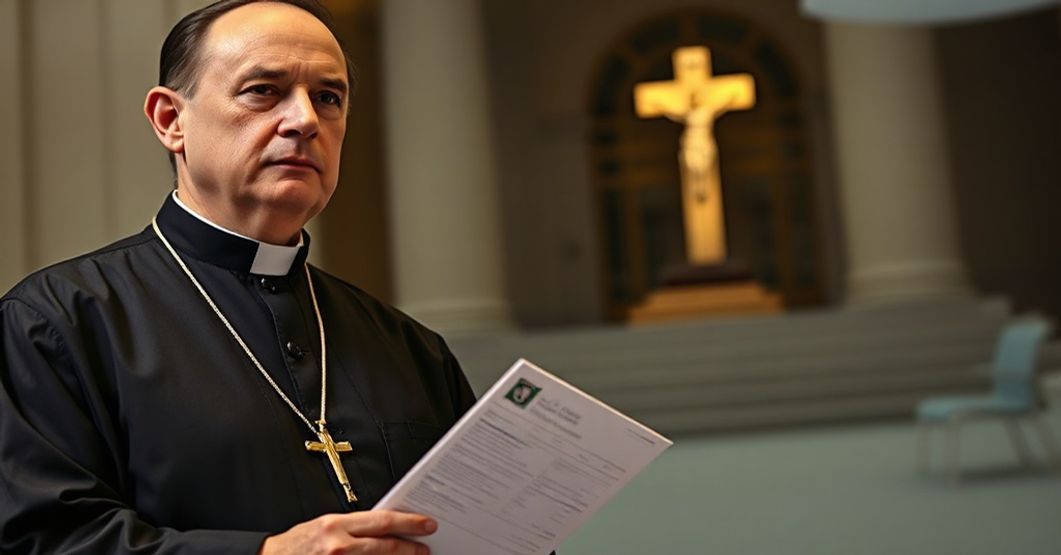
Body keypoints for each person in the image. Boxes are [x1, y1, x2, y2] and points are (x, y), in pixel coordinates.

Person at [0, 1, 475, 553]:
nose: (305, 121)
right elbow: (43, 540)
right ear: (171, 121)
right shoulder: (55, 324)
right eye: (263, 91)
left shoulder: (412, 348)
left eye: (329, 97)